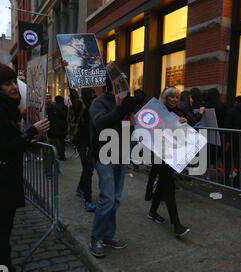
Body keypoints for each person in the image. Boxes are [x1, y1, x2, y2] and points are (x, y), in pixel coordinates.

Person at [0, 60, 50, 272]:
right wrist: (31, 131)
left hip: (1, 177)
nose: (13, 87)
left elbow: (9, 143)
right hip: (0, 181)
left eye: (13, 83)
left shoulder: (1, 109)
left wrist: (26, 140)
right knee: (1, 236)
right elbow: (5, 146)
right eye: (7, 84)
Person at [88, 74, 136, 257]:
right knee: (107, 197)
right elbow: (99, 122)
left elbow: (129, 126)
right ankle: (96, 237)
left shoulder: (124, 101)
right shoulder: (99, 102)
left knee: (115, 198)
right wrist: (120, 109)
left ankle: (107, 235)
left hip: (121, 154)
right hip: (104, 154)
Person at [147, 87, 197, 237]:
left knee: (163, 183)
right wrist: (175, 124)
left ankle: (152, 211)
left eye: (177, 97)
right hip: (160, 153)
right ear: (165, 98)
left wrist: (183, 123)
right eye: (171, 97)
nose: (175, 100)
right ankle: (176, 225)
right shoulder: (159, 112)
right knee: (169, 187)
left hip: (172, 153)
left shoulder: (179, 112)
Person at [223, 94, 241, 185]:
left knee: (229, 158)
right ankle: (237, 178)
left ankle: (226, 179)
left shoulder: (233, 111)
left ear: (236, 102)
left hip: (234, 139)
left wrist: (229, 136)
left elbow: (226, 125)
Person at [75, 87, 97, 212]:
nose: (94, 94)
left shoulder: (95, 105)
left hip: (92, 142)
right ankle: (88, 199)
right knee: (88, 168)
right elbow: (74, 96)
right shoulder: (80, 105)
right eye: (92, 93)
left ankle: (80, 188)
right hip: (82, 142)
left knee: (88, 168)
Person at [46, 95, 68, 161]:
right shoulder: (64, 107)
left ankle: (57, 155)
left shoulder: (54, 107)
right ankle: (62, 155)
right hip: (63, 127)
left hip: (56, 128)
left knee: (58, 142)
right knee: (62, 142)